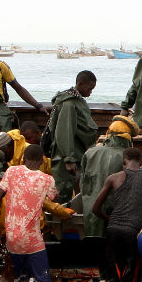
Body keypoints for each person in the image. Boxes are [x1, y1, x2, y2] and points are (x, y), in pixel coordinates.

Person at [0, 144, 71, 282]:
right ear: (42, 161)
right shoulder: (47, 179)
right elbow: (52, 198)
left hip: (11, 239)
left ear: (24, 159)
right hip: (32, 240)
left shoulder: (11, 171)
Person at [91, 147, 142, 282]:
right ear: (141, 163)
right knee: (131, 276)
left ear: (124, 162)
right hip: (135, 230)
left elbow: (95, 209)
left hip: (113, 229)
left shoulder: (114, 178)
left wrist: (110, 220)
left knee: (112, 279)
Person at [80, 115, 138, 240]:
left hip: (90, 209)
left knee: (93, 243)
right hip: (113, 214)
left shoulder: (89, 153)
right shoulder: (126, 157)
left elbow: (82, 183)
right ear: (127, 138)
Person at [46, 70, 98, 202]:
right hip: (66, 157)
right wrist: (68, 159)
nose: (91, 92)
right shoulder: (69, 104)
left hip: (77, 153)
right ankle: (58, 221)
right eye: (90, 88)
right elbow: (64, 131)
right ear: (80, 84)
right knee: (63, 193)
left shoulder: (78, 101)